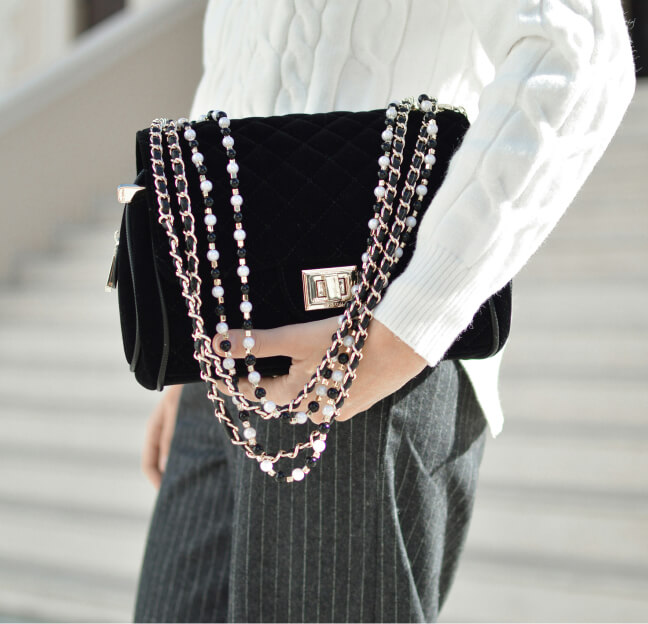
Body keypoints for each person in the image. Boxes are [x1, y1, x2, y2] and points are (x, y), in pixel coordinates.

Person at [134, 1, 636, 622]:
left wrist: (405, 325)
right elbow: (239, 70)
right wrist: (192, 327)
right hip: (223, 356)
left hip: (367, 352)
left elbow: (579, 50)